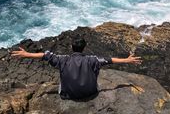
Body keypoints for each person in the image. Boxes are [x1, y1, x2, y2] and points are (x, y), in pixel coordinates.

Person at [11, 35, 142, 100]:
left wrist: (26, 54)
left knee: (61, 78)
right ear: (84, 48)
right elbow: (110, 60)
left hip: (68, 95)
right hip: (91, 93)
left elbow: (45, 55)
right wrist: (127, 60)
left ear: (71, 47)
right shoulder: (92, 60)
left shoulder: (63, 59)